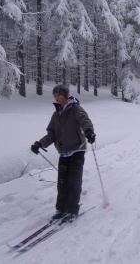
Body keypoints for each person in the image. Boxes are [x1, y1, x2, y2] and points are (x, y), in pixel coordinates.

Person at [31, 84, 96, 223]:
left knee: (74, 181)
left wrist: (89, 132)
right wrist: (40, 144)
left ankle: (72, 209)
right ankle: (61, 209)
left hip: (77, 150)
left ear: (65, 96)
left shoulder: (75, 109)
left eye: (59, 95)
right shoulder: (56, 115)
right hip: (64, 153)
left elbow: (85, 121)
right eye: (54, 96)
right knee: (62, 182)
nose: (56, 98)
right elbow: (51, 134)